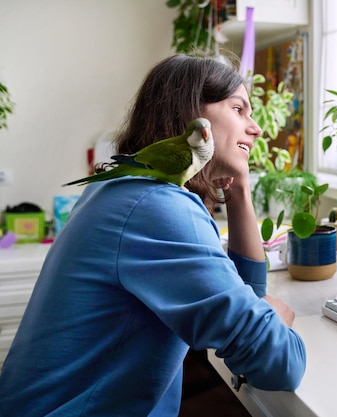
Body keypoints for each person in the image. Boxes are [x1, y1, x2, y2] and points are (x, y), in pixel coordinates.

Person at [0, 54, 306, 416]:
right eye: (239, 109)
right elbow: (278, 363)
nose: (254, 128)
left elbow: (243, 295)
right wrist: (272, 317)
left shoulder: (125, 192)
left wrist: (238, 189)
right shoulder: (155, 206)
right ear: (195, 115)